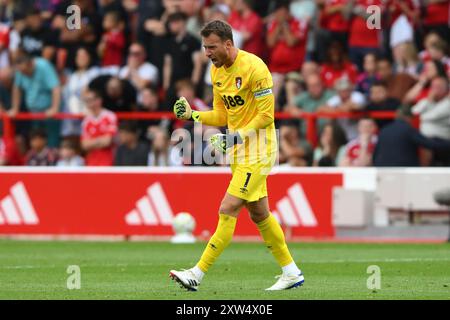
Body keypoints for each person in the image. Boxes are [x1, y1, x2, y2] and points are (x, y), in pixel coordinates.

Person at [170, 20, 304, 291]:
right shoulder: (216, 71)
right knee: (259, 213)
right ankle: (291, 272)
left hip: (260, 150)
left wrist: (235, 136)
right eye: (205, 47)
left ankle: (197, 273)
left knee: (228, 207)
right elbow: (221, 114)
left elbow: (266, 116)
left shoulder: (255, 68)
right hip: (239, 152)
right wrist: (192, 115)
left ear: (228, 44)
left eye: (211, 47)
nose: (207, 53)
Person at [373, 106, 450, 167]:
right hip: (403, 169)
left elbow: (376, 151)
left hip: (381, 168)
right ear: (408, 118)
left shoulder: (384, 130)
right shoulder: (407, 130)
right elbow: (429, 144)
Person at [80, 88, 117, 166]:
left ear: (99, 100)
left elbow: (108, 141)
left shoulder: (110, 116)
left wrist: (92, 142)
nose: (88, 103)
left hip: (109, 160)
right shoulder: (86, 121)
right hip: (91, 161)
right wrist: (101, 139)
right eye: (86, 100)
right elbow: (84, 145)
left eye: (90, 100)